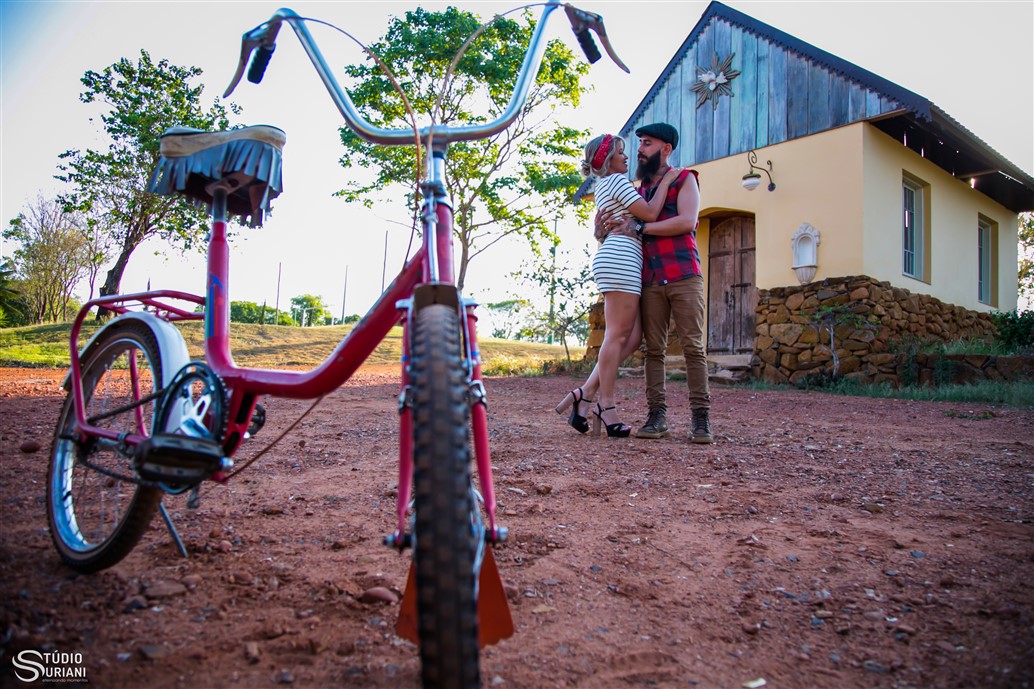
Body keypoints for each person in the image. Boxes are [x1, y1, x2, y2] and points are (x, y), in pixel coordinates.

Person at [555, 133, 680, 437]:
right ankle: (605, 406)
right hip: (621, 258)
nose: (626, 157)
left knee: (633, 337)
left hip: (623, 257)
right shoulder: (617, 182)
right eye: (621, 153)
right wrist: (668, 180)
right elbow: (649, 214)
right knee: (615, 335)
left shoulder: (606, 186)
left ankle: (584, 394)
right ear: (607, 159)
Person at [598, 122, 713, 444]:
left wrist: (638, 228)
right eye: (639, 144)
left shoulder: (685, 179)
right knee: (653, 351)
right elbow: (620, 225)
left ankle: (701, 419)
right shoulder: (638, 190)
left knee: (693, 347)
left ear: (666, 148)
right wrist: (605, 227)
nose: (639, 149)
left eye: (647, 143)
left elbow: (687, 221)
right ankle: (656, 416)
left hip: (683, 273)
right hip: (648, 277)